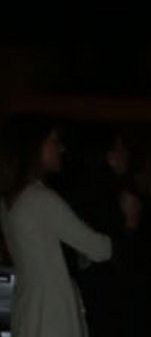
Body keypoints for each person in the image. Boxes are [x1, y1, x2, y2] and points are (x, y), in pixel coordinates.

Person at [0, 115, 113, 337]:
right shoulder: (41, 200)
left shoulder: (8, 201)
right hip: (52, 316)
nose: (61, 148)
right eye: (54, 140)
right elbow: (101, 249)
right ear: (34, 147)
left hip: (28, 309)